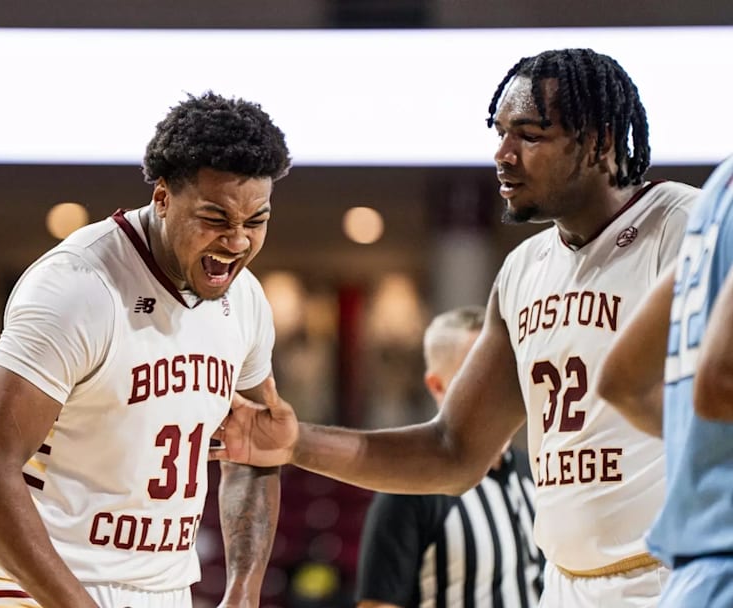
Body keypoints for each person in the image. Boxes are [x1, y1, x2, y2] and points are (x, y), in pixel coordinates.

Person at [212, 48, 699, 607]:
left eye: (530, 135)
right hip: (565, 586)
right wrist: (296, 442)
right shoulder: (524, 269)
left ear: (602, 142)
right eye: (500, 133)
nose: (503, 154)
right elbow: (452, 450)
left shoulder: (685, 229)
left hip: (670, 579)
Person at [0, 91, 292, 608]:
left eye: (256, 222)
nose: (237, 242)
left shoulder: (245, 301)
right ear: (162, 198)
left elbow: (253, 453)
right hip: (37, 588)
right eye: (215, 219)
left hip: (165, 589)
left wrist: (243, 591)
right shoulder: (77, 288)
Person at [598, 154, 733, 606]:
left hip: (691, 579)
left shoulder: (719, 189)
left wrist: (702, 442)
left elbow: (622, 381)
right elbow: (721, 381)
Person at [355, 306, 543, 608]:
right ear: (437, 386)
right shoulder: (408, 489)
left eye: (506, 372)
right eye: (480, 377)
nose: (499, 389)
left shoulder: (533, 469)